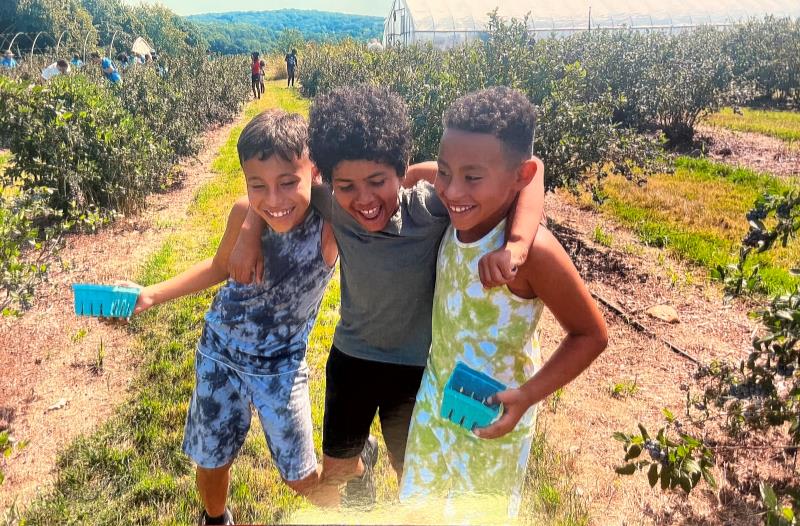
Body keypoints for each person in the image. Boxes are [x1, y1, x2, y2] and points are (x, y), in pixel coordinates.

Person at [228, 84, 545, 508]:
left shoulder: (430, 209)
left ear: (402, 170)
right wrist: (250, 233)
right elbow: (272, 194)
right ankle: (361, 467)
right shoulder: (329, 202)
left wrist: (519, 242)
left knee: (408, 471)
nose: (363, 199)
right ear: (327, 180)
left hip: (413, 371)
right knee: (336, 470)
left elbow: (533, 172)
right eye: (347, 186)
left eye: (378, 181)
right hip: (352, 359)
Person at [114, 109, 338, 525]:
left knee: (300, 477)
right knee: (211, 458)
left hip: (279, 367)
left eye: (288, 182)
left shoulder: (329, 228)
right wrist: (149, 295)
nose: (274, 199)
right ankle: (215, 519)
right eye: (258, 186)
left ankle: (354, 488)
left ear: (315, 173)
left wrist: (258, 222)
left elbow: (391, 185)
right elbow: (218, 268)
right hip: (220, 353)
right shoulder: (242, 212)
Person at [398, 87, 608, 520]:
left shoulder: (535, 254)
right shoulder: (454, 210)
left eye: (472, 177)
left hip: (495, 422)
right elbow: (409, 173)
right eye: (445, 171)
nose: (452, 189)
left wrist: (527, 396)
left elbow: (591, 335)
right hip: (436, 403)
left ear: (520, 176)